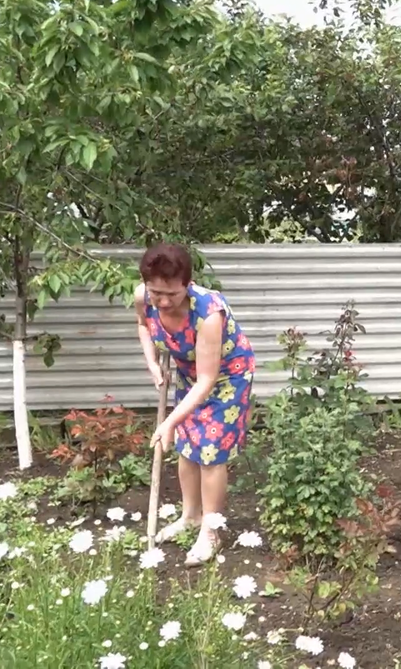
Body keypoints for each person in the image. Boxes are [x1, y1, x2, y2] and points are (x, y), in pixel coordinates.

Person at [134, 242, 256, 566]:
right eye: (155, 292)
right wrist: (151, 362)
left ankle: (211, 532)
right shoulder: (142, 296)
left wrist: (170, 421)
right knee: (188, 448)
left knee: (211, 452)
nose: (161, 301)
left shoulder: (208, 314)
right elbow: (143, 326)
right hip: (191, 373)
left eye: (170, 295)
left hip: (228, 377)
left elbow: (208, 380)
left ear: (187, 285)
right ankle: (190, 516)